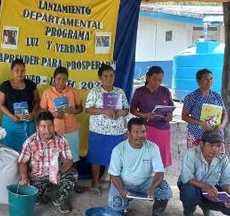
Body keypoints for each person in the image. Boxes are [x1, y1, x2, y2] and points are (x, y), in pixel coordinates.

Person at [107, 118, 173, 216]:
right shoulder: (118, 150)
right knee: (115, 203)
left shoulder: (153, 147)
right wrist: (122, 190)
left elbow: (159, 172)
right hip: (125, 183)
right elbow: (114, 175)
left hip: (145, 184)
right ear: (128, 133)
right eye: (136, 132)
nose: (140, 135)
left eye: (143, 132)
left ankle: (158, 213)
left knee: (164, 190)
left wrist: (152, 187)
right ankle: (123, 208)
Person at [17, 112, 79, 214]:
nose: (47, 130)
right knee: (35, 200)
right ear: (37, 128)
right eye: (43, 126)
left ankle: (60, 198)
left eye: (50, 126)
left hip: (55, 175)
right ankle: (43, 196)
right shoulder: (30, 142)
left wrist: (60, 172)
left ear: (54, 125)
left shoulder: (61, 139)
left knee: (73, 174)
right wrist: (24, 177)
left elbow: (69, 159)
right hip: (37, 177)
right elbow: (22, 162)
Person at [177, 130, 230, 216]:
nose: (215, 149)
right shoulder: (191, 154)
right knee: (189, 193)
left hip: (211, 191)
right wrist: (206, 186)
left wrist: (229, 198)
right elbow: (187, 178)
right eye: (211, 145)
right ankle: (189, 211)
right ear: (202, 144)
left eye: (218, 146)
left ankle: (206, 207)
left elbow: (226, 182)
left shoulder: (223, 159)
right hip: (194, 186)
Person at [84, 64, 129, 195]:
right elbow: (88, 109)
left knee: (115, 159)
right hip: (98, 132)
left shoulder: (119, 92)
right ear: (100, 77)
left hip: (116, 132)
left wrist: (121, 113)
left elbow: (127, 109)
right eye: (105, 76)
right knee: (96, 158)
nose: (109, 78)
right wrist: (104, 110)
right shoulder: (95, 92)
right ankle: (95, 183)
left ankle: (112, 184)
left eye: (111, 75)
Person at [130, 66, 174, 168]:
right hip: (146, 128)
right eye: (154, 79)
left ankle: (158, 180)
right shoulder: (139, 92)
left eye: (160, 80)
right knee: (146, 158)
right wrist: (144, 115)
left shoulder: (165, 91)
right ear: (148, 78)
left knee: (161, 158)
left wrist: (169, 117)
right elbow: (132, 110)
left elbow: (170, 108)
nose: (157, 82)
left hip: (163, 129)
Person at [39, 66, 83, 162]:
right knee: (55, 158)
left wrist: (73, 111)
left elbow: (80, 108)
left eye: (64, 79)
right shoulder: (47, 93)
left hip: (71, 129)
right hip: (54, 130)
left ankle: (72, 176)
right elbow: (42, 110)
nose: (61, 81)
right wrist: (52, 115)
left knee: (73, 157)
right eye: (58, 79)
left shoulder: (73, 91)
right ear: (54, 79)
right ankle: (56, 176)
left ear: (67, 79)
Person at [0, 59, 39, 151]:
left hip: (28, 122)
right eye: (17, 70)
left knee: (28, 150)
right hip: (10, 123)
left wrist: (33, 114)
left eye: (22, 70)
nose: (20, 73)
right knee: (9, 151)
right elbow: (0, 104)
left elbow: (36, 101)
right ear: (12, 71)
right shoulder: (5, 86)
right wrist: (12, 116)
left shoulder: (31, 85)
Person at [181, 69, 228, 148]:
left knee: (216, 159)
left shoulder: (217, 96)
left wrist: (222, 125)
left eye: (211, 79)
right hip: (197, 135)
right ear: (198, 81)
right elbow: (184, 116)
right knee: (196, 159)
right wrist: (201, 123)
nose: (209, 81)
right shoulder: (191, 97)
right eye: (206, 79)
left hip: (215, 136)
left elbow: (224, 113)